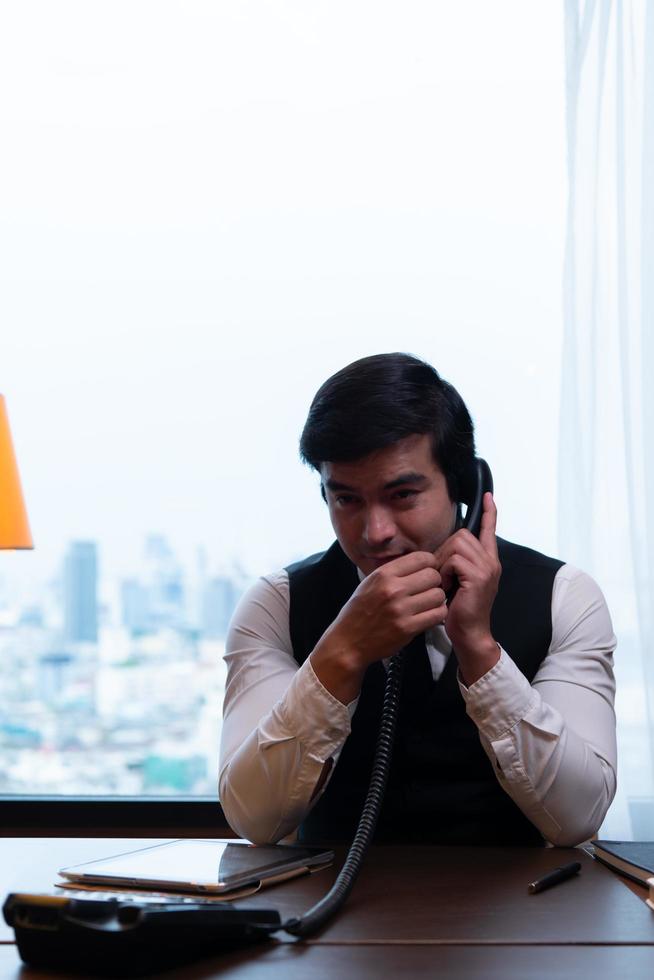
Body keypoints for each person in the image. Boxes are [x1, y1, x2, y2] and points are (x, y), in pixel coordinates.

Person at [219, 353, 616, 846]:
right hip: (332, 915)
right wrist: (340, 655)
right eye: (346, 499)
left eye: (403, 495)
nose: (375, 532)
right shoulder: (277, 605)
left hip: (521, 914)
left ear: (464, 487)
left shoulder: (564, 596)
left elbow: (579, 816)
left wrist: (479, 648)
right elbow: (252, 818)